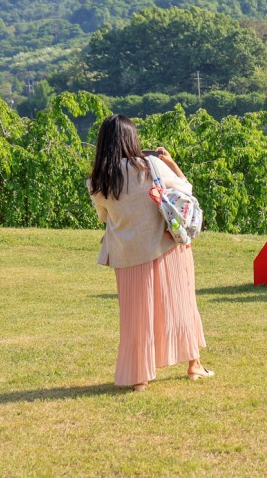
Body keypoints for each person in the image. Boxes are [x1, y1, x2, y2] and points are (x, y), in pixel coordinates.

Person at [88, 114, 212, 391]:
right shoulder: (150, 165)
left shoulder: (97, 181)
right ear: (131, 138)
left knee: (135, 317)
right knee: (181, 306)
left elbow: (104, 217)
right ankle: (194, 366)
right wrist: (171, 163)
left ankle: (139, 377)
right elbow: (186, 190)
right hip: (166, 247)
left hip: (127, 255)